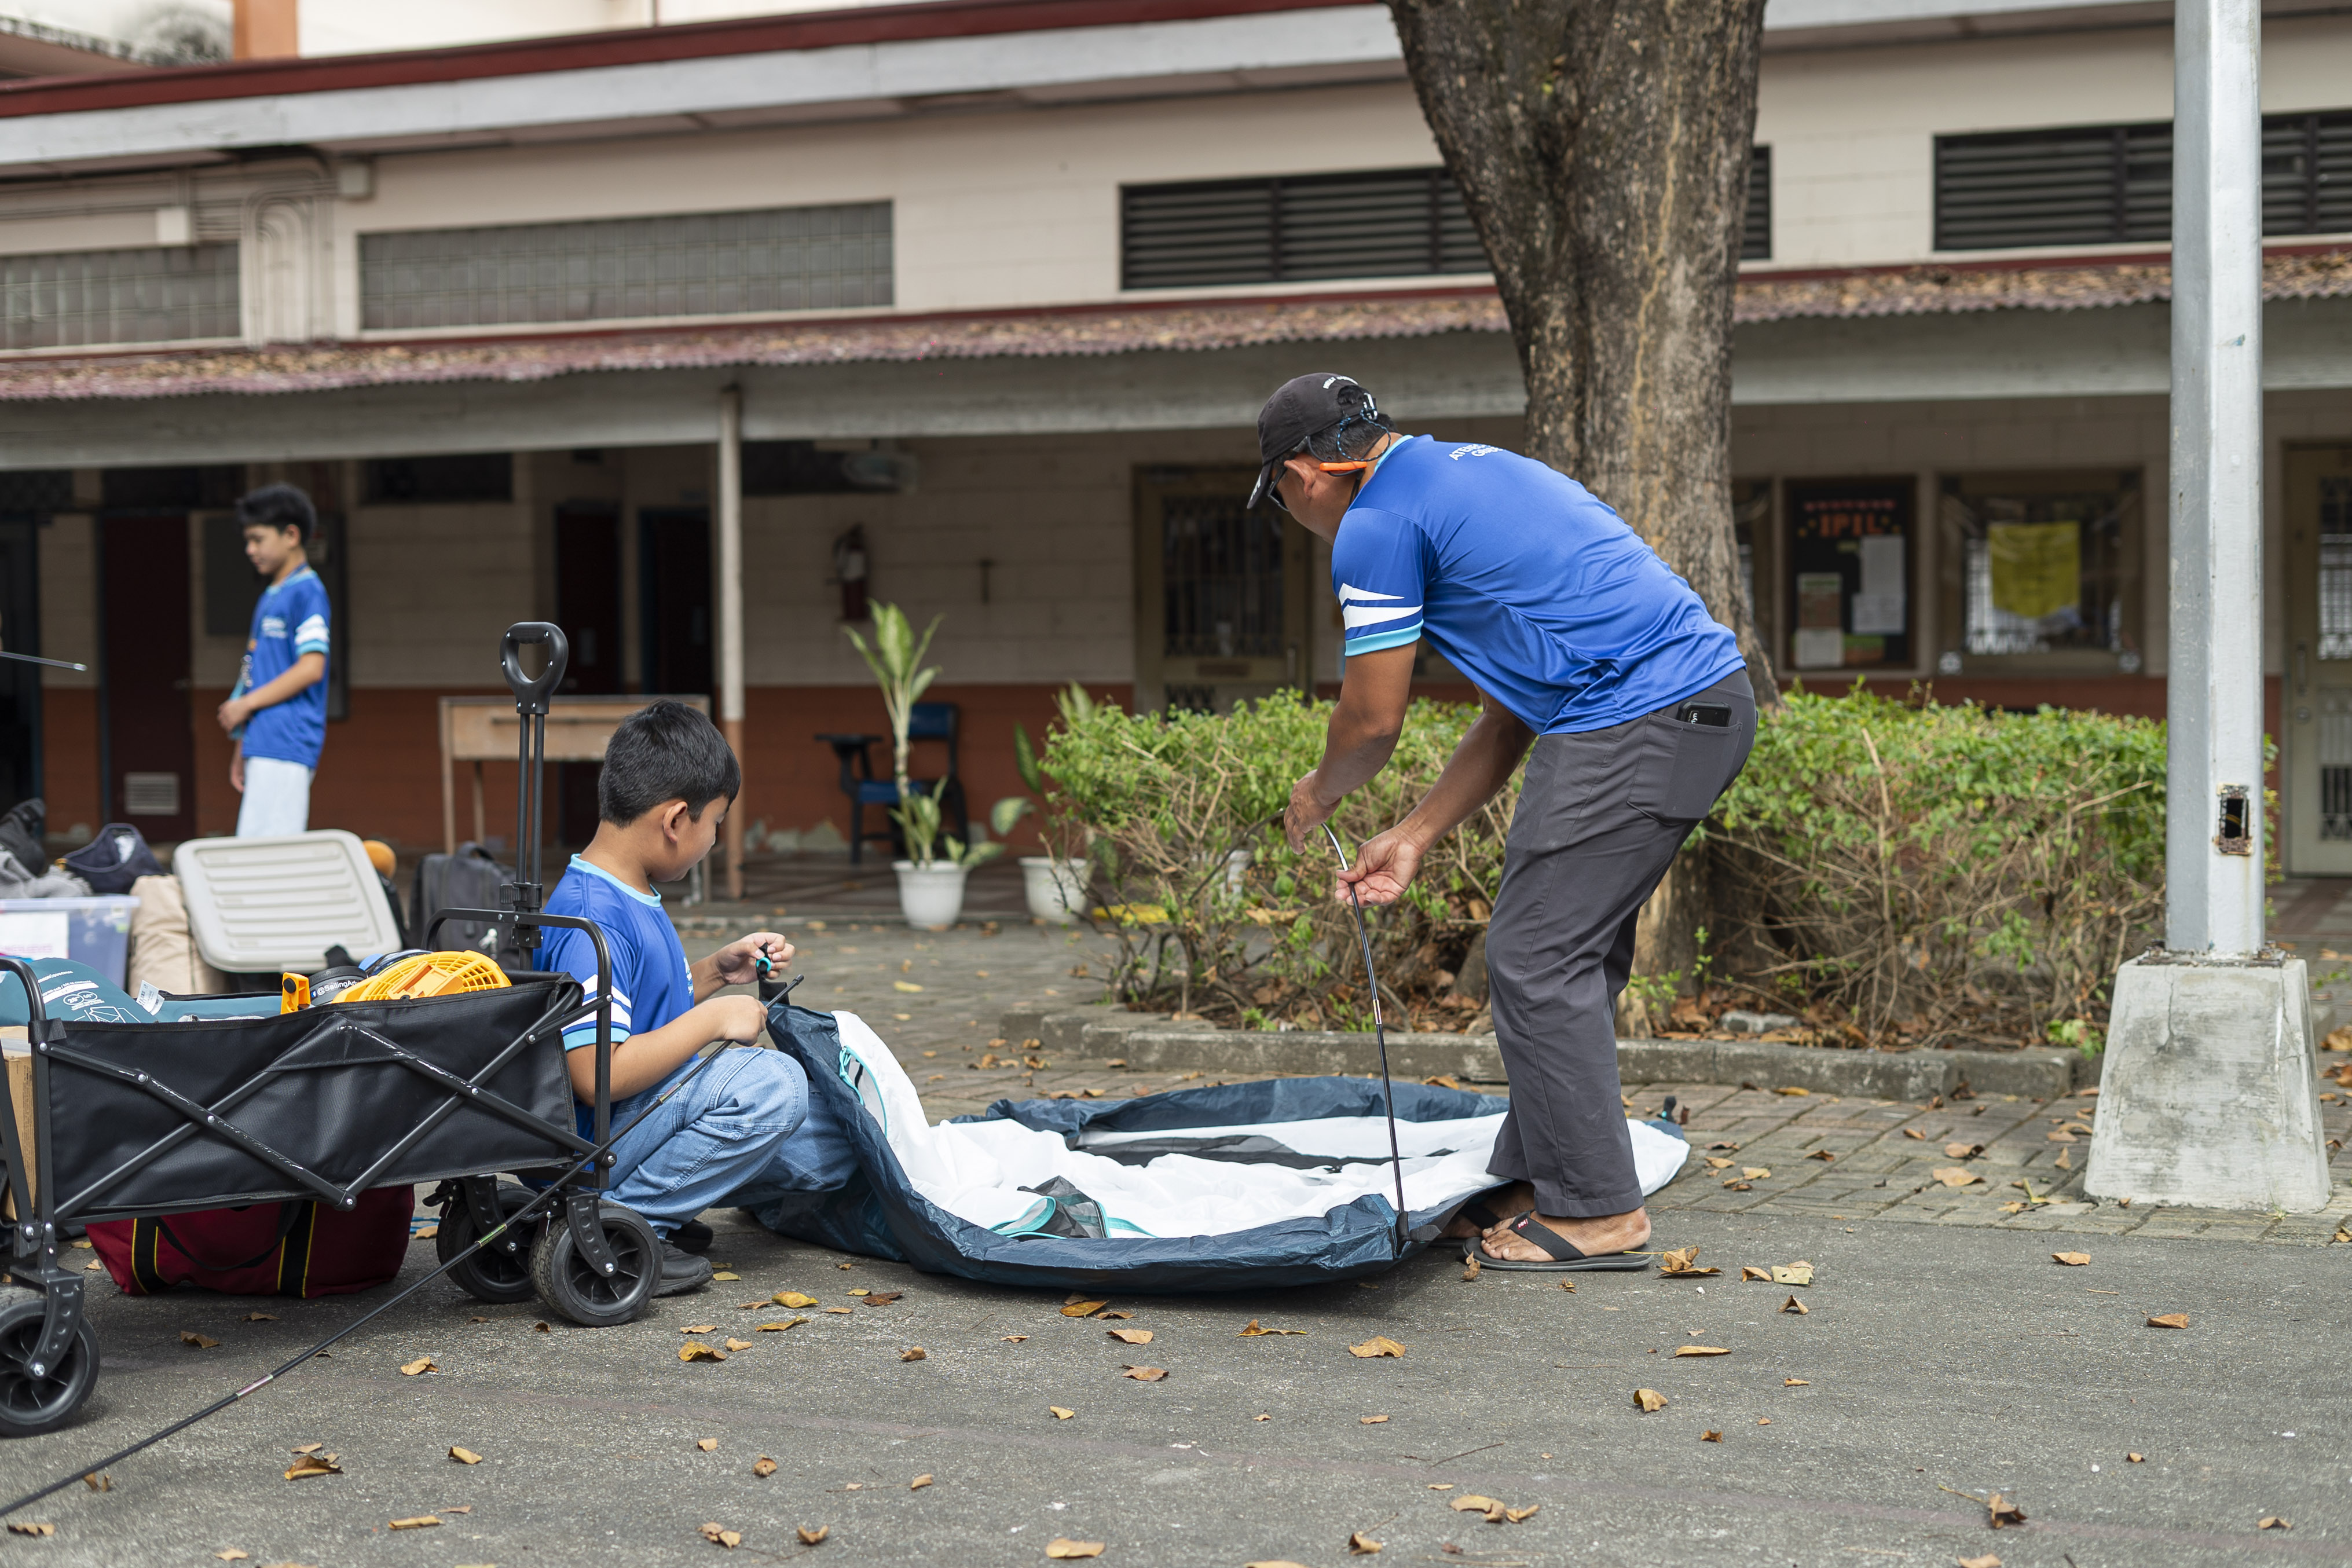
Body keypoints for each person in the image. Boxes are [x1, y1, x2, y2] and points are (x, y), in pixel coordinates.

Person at [1258, 372, 1755, 1272]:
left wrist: (1317, 793)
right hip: (1687, 709)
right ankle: (1539, 1181)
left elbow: (1371, 722)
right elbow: (1510, 713)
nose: (1291, 512)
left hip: (1640, 716)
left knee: (1533, 955)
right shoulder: (1466, 476)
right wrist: (1410, 835)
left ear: (1305, 472)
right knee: (1566, 953)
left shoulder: (1375, 525)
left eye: (1280, 497)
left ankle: (1600, 1214)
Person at [532, 699, 815, 1295]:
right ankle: (620, 1225)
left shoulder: (629, 890)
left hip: (635, 1120)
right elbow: (593, 1073)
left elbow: (642, 1009)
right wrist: (713, 1020)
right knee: (775, 1086)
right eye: (715, 823)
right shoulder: (594, 918)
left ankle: (646, 1208)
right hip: (598, 1145)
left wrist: (715, 970)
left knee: (828, 1141)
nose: (714, 840)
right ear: (676, 818)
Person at [218, 484, 331, 837]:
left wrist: (244, 705)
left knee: (273, 857)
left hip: (287, 741)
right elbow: (256, 671)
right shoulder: (272, 594)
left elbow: (312, 667)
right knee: (253, 851)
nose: (250, 550)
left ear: (292, 535)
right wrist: (244, 741)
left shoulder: (308, 591)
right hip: (262, 740)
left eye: (258, 539)